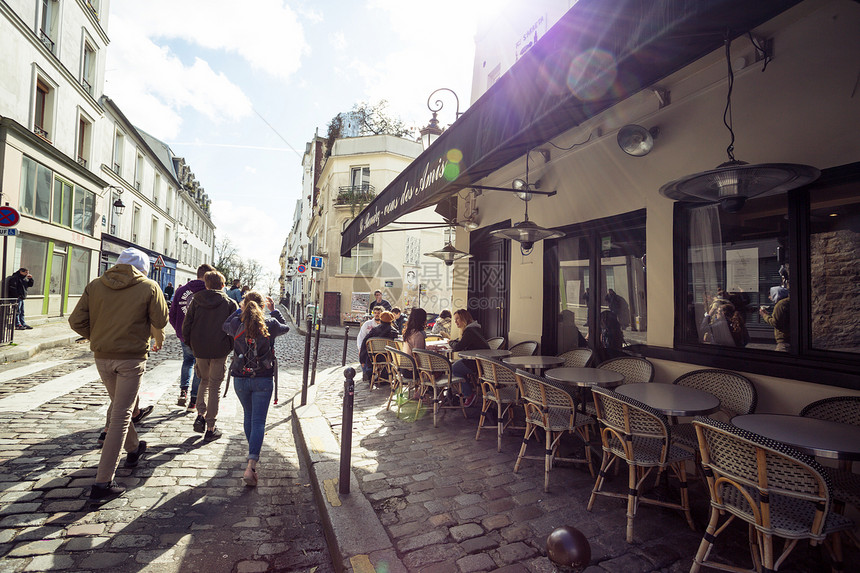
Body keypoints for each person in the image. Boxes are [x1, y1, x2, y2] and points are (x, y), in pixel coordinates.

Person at [68, 247, 168, 504]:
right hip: (131, 358)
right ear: (142, 268)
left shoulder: (95, 284)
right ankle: (103, 482)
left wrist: (99, 336)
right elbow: (160, 319)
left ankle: (134, 449)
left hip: (103, 357)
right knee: (121, 414)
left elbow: (76, 321)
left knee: (120, 407)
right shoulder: (149, 286)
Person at [222, 291, 289, 486]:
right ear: (262, 306)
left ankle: (251, 453)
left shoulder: (236, 324)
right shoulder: (270, 324)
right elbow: (285, 328)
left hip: (241, 379)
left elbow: (224, 324)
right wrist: (274, 311)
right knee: (258, 421)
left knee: (248, 416)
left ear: (245, 305)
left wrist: (239, 310)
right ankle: (251, 465)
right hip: (263, 378)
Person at [182, 270, 238, 440]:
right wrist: (230, 346)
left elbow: (187, 325)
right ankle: (211, 427)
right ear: (222, 285)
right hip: (220, 350)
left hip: (200, 349)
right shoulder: (230, 303)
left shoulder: (196, 301)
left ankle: (200, 414)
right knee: (214, 386)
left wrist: (191, 344)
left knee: (203, 382)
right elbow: (236, 329)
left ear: (206, 284)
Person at [169, 264, 214, 410]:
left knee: (187, 361)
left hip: (185, 335)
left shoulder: (181, 290)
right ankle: (194, 399)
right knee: (199, 367)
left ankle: (183, 391)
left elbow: (172, 314)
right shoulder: (209, 291)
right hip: (203, 336)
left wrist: (179, 331)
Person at [449, 309, 489, 407]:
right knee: (457, 366)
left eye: (457, 319)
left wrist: (450, 342)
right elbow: (461, 343)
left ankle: (469, 394)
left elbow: (458, 347)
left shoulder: (470, 331)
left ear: (464, 318)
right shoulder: (474, 329)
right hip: (480, 360)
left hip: (478, 363)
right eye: (455, 320)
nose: (456, 322)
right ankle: (466, 390)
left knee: (454, 368)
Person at [760, 285, 790, 352]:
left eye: (770, 295)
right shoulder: (788, 302)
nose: (769, 297)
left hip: (784, 340)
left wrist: (764, 315)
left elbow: (775, 322)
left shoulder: (780, 305)